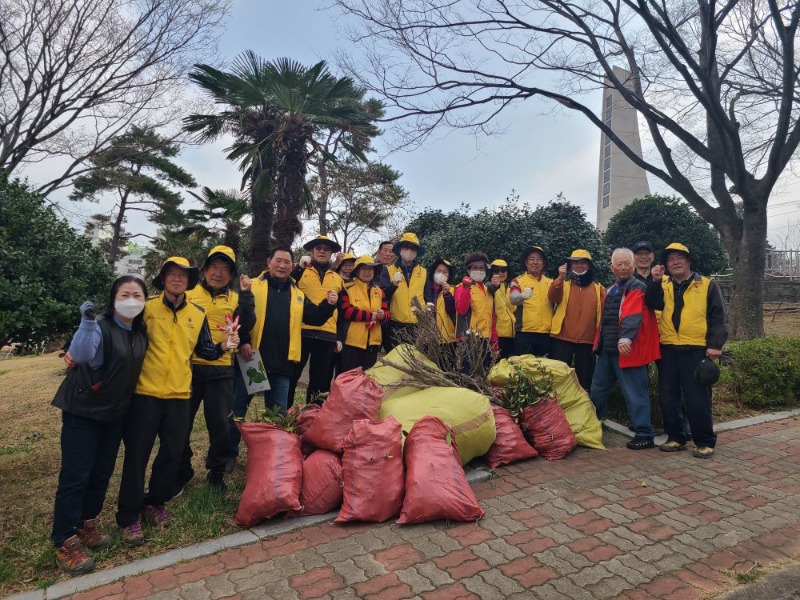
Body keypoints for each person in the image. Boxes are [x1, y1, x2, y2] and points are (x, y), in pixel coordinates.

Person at [115, 257, 238, 546]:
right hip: (145, 394)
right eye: (171, 274)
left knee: (171, 455)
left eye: (182, 275)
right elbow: (122, 336)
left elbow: (206, 350)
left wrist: (224, 344)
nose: (177, 279)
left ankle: (156, 502)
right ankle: (129, 516)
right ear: (162, 279)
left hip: (180, 395)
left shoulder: (196, 313)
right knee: (137, 456)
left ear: (189, 281)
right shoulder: (147, 308)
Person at [52, 277, 148, 574]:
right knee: (76, 475)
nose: (131, 299)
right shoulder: (100, 325)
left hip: (114, 413)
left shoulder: (140, 333)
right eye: (125, 294)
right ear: (114, 298)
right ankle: (64, 540)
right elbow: (79, 355)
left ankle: (85, 523)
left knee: (102, 472)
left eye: (137, 294)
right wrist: (86, 323)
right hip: (83, 411)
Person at [228, 246, 338, 464]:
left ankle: (270, 460)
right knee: (238, 410)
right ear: (269, 262)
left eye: (287, 262)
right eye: (278, 261)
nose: (282, 265)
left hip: (283, 364)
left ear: (292, 265)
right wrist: (245, 341)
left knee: (277, 417)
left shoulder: (298, 294)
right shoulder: (253, 285)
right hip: (254, 359)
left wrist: (328, 305)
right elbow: (241, 315)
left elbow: (314, 317)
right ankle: (229, 454)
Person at [646, 243, 728, 459]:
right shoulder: (663, 285)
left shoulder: (708, 285)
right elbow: (651, 303)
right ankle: (676, 437)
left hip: (696, 350)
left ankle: (704, 441)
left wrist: (715, 345)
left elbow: (718, 317)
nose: (675, 262)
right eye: (670, 259)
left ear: (689, 260)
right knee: (668, 397)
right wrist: (654, 281)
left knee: (697, 398)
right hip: (669, 349)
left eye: (680, 257)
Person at [177, 246, 241, 495]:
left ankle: (216, 472)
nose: (219, 272)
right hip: (188, 369)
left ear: (232, 275)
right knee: (181, 424)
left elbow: (247, 324)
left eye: (225, 269)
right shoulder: (188, 293)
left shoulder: (235, 298)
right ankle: (182, 471)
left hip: (222, 369)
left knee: (221, 426)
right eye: (214, 266)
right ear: (204, 270)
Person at [590, 248, 660, 450]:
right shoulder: (612, 289)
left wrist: (626, 338)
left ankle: (644, 434)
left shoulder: (637, 286)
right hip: (608, 351)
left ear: (633, 266)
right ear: (612, 268)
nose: (622, 268)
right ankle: (593, 424)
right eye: (618, 264)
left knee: (635, 393)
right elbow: (604, 320)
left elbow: (632, 314)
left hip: (628, 351)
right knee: (598, 389)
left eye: (626, 264)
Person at [290, 235, 345, 403]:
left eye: (326, 249)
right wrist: (298, 268)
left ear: (331, 254)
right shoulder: (300, 271)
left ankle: (312, 419)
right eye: (318, 248)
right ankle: (284, 415)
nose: (322, 251)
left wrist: (339, 337)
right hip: (301, 331)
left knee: (319, 382)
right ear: (312, 251)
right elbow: (287, 285)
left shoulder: (337, 278)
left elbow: (341, 311)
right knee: (292, 376)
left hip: (327, 335)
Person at [548, 249, 606, 391]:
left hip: (587, 342)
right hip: (562, 338)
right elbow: (552, 297)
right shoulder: (564, 284)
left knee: (584, 380)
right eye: (575, 263)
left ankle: (582, 408)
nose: (579, 266)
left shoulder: (599, 289)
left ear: (589, 265)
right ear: (570, 266)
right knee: (559, 378)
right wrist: (560, 278)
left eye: (583, 263)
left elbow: (604, 314)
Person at [338, 255, 390, 372]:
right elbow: (345, 311)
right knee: (348, 379)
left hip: (373, 344)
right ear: (357, 271)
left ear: (374, 272)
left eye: (370, 269)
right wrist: (369, 315)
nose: (367, 272)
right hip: (351, 343)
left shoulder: (379, 291)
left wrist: (382, 316)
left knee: (366, 380)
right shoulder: (347, 288)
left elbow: (387, 313)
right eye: (363, 269)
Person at [382, 232, 427, 350]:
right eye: (406, 247)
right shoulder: (388, 270)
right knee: (394, 362)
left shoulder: (424, 272)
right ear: (400, 249)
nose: (409, 251)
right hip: (394, 325)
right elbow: (382, 296)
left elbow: (427, 298)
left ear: (417, 252)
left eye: (413, 248)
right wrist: (393, 285)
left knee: (414, 364)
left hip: (417, 325)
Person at [454, 252, 496, 371]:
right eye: (475, 268)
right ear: (469, 270)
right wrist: (467, 289)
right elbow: (461, 310)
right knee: (467, 374)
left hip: (486, 339)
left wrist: (494, 338)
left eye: (481, 268)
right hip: (468, 338)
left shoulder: (488, 290)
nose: (479, 270)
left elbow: (491, 316)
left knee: (483, 374)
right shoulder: (461, 287)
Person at [509, 245, 554, 356]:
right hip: (525, 333)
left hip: (546, 334)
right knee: (523, 369)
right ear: (526, 262)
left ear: (543, 263)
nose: (535, 262)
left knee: (544, 370)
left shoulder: (551, 283)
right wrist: (522, 296)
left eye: (539, 259)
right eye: (532, 259)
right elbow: (513, 299)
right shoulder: (517, 281)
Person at [424, 258, 457, 344]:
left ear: (449, 276)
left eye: (445, 272)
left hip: (447, 337)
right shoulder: (425, 289)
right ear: (433, 272)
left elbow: (452, 311)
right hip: (427, 336)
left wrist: (447, 294)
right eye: (438, 271)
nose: (441, 274)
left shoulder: (453, 290)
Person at [488, 259, 516, 359]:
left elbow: (513, 308)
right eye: (496, 270)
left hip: (511, 334)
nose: (500, 273)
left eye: (503, 270)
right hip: (497, 335)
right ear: (491, 273)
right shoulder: (489, 287)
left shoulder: (509, 289)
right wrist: (494, 286)